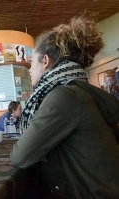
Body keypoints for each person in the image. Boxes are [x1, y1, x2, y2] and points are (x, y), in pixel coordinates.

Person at [10, 17, 119, 198]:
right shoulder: (77, 89)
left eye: (32, 63)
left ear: (45, 61)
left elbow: (20, 156)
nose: (29, 70)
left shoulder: (64, 96)